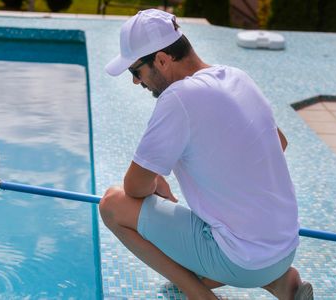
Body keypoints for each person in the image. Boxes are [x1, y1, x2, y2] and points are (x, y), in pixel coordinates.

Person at [100, 9, 313, 300]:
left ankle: (200, 296)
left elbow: (134, 187)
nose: (136, 82)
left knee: (112, 204)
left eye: (136, 71)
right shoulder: (237, 77)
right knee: (187, 256)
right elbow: (279, 143)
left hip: (239, 259)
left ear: (162, 60)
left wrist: (157, 187)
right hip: (284, 248)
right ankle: (281, 283)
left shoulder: (177, 98)